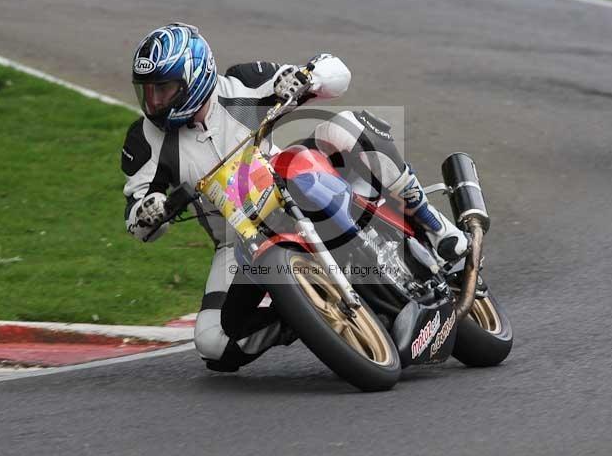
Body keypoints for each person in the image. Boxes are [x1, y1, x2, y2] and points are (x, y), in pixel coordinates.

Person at [121, 23, 469, 371]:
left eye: (163, 89)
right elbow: (137, 222)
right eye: (148, 91)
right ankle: (308, 314)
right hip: (235, 238)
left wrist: (308, 79)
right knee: (213, 342)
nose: (153, 102)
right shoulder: (143, 140)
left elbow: (338, 74)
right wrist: (149, 213)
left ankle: (432, 222)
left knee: (343, 125)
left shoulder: (242, 82)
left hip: (290, 182)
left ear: (194, 79)